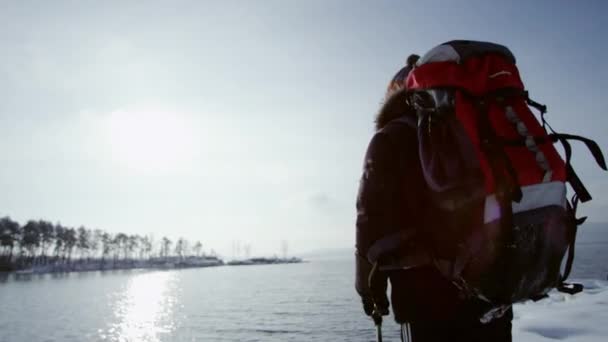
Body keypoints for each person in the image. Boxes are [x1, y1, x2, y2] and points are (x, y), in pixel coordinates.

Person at [354, 56, 513, 342]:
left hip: (425, 296)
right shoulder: (478, 131)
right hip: (492, 286)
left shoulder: (390, 138)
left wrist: (368, 289)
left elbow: (369, 220)